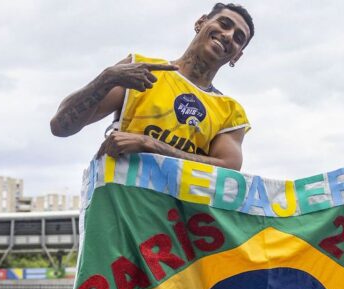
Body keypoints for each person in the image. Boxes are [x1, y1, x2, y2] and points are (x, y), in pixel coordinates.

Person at [49, 3, 254, 170]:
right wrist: (107, 78)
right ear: (201, 22)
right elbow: (60, 127)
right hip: (119, 213)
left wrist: (149, 144)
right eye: (224, 24)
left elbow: (227, 169)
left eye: (238, 38)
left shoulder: (229, 112)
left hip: (175, 219)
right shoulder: (140, 69)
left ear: (237, 55)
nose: (228, 35)